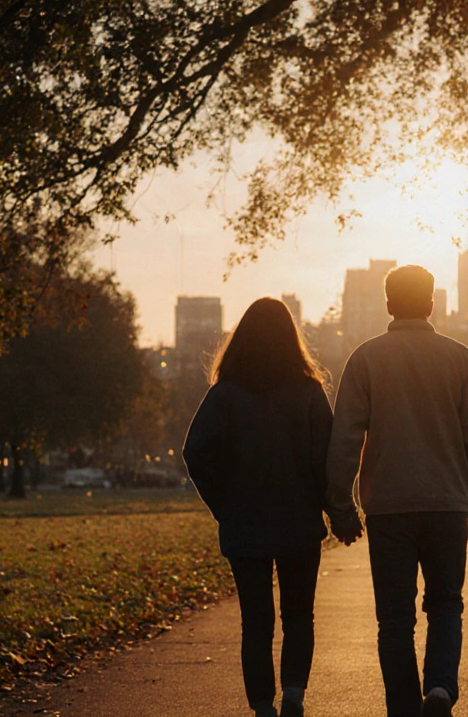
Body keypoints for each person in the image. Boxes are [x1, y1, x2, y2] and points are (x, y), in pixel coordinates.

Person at [325, 265, 468, 717]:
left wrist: (342, 507)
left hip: (388, 508)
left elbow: (344, 440)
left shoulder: (365, 359)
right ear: (431, 304)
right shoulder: (461, 358)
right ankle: (440, 689)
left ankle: (403, 707)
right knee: (445, 604)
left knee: (395, 619)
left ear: (387, 305)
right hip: (447, 504)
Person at [182, 297, 334, 717]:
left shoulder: (225, 394)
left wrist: (223, 504)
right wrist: (333, 508)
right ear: (292, 338)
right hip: (299, 521)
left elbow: (195, 453)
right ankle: (295, 697)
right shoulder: (308, 392)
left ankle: (261, 705)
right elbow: (327, 458)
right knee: (299, 616)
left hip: (243, 522)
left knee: (256, 622)